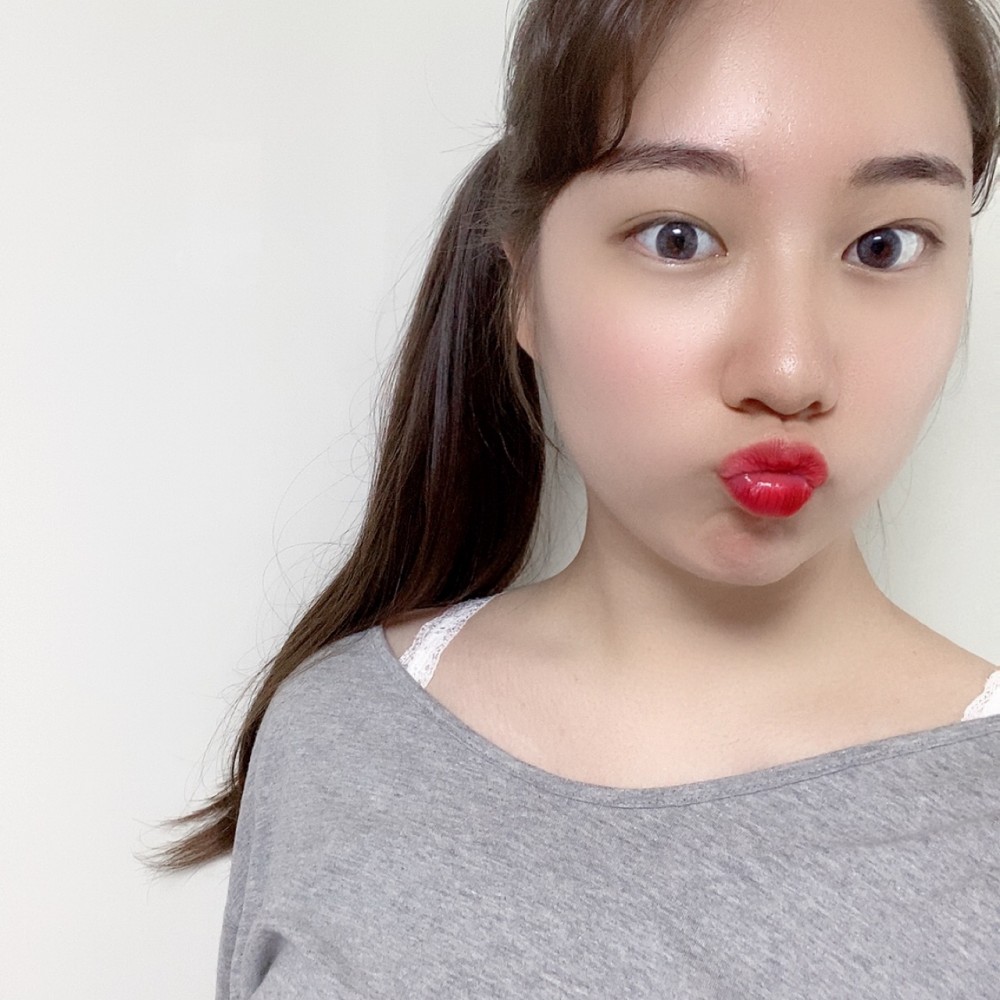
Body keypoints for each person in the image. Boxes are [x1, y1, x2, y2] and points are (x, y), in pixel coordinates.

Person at [148, 0, 1000, 994]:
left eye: (885, 245)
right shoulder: (338, 740)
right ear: (523, 290)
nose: (788, 368)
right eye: (677, 238)